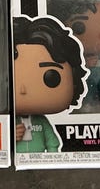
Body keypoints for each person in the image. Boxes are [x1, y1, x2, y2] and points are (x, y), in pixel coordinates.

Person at [14, 16, 87, 153]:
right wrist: (8, 137)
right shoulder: (9, 123)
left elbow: (52, 141)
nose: (23, 89)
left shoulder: (41, 121)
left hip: (40, 162)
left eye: (51, 78)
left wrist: (52, 158)